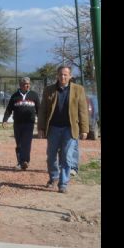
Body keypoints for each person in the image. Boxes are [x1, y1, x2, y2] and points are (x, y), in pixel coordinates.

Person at [38, 66, 89, 194]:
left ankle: (63, 183)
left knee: (66, 156)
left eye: (65, 75)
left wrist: (84, 129)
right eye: (60, 74)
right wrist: (41, 127)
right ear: (57, 75)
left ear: (70, 76)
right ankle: (53, 177)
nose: (63, 77)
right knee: (51, 156)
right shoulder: (49, 90)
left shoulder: (78, 90)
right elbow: (43, 110)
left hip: (69, 129)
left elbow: (83, 110)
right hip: (53, 128)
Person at [2, 76, 40, 170]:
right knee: (19, 144)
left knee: (26, 142)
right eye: (25, 84)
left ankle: (25, 161)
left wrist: (41, 122)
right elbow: (9, 109)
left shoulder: (34, 95)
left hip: (29, 123)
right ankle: (20, 162)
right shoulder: (15, 96)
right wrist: (5, 120)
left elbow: (39, 109)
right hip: (17, 123)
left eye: (28, 84)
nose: (27, 86)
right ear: (20, 85)